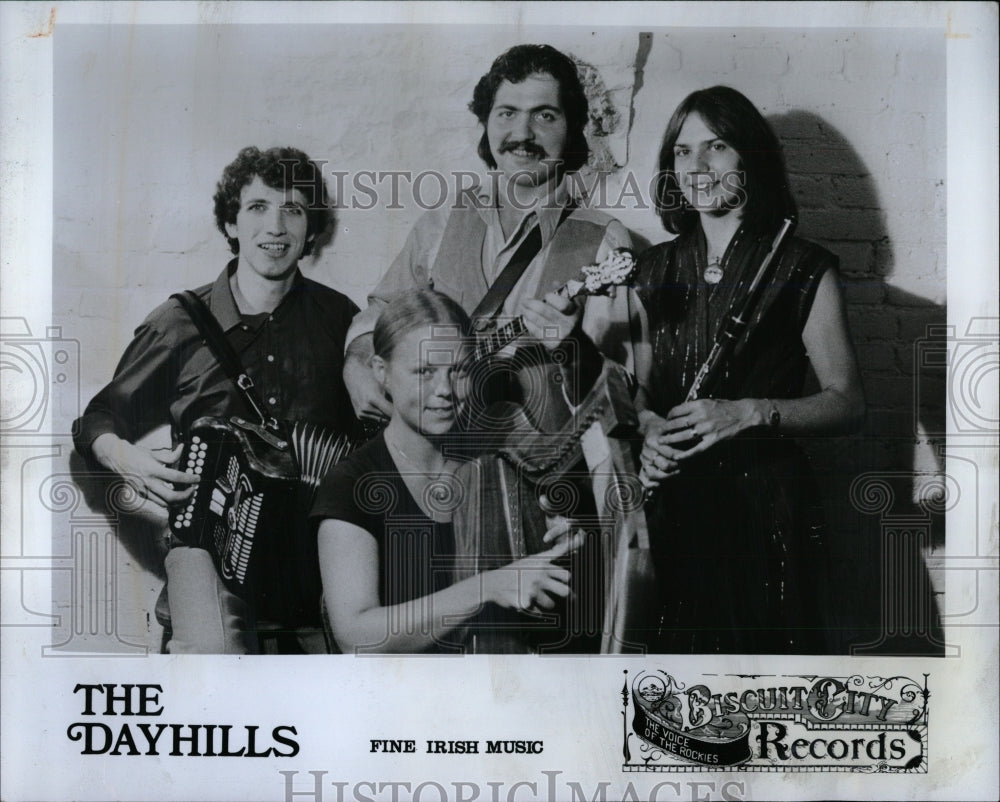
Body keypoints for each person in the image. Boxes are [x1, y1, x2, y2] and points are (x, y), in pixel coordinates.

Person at [73, 146, 360, 654]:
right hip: (207, 549)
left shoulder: (340, 319)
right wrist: (127, 459)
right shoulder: (181, 321)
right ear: (231, 224)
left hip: (312, 564)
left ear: (311, 228)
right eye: (257, 208)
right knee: (213, 668)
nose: (275, 227)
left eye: (293, 210)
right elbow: (97, 417)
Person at [636, 86, 865, 654]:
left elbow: (848, 402)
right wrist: (647, 433)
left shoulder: (800, 265)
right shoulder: (651, 267)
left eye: (717, 146)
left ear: (750, 157)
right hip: (672, 512)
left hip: (765, 515)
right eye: (683, 151)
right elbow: (637, 396)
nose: (698, 166)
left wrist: (749, 413)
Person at [342, 43, 649, 428]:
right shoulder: (443, 219)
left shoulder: (604, 241)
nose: (522, 133)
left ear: (571, 129)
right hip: (433, 465)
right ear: (486, 124)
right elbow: (384, 310)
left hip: (539, 474)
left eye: (545, 115)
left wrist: (575, 352)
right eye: (507, 113)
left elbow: (627, 399)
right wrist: (357, 360)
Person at [312, 290, 581, 654]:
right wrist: (489, 587)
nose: (444, 391)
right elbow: (357, 635)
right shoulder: (350, 484)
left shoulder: (501, 460)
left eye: (459, 371)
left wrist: (563, 545)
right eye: (425, 371)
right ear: (382, 372)